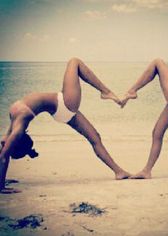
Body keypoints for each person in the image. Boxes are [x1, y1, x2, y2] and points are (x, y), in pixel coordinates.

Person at [0, 57, 130, 194]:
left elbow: (4, 148)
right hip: (66, 104)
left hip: (60, 110)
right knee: (74, 62)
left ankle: (119, 172)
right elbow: (3, 157)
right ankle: (106, 92)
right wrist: (1, 187)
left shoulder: (14, 123)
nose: (5, 143)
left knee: (95, 137)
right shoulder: (19, 125)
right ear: (18, 139)